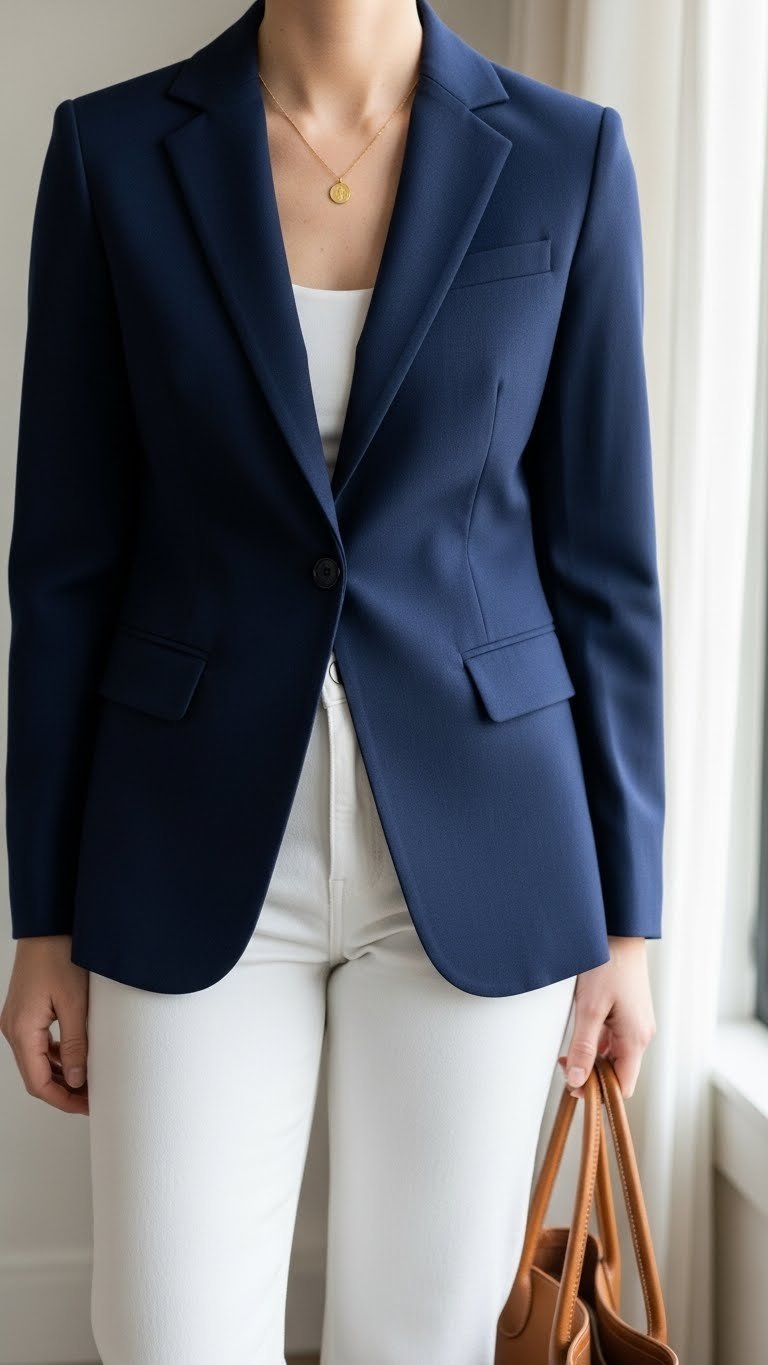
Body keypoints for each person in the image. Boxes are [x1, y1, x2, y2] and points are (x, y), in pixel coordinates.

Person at [0, 0, 663, 1361]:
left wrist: (634, 920)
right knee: (165, 1335)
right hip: (186, 833)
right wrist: (43, 916)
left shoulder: (566, 157)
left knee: (420, 1341)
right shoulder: (112, 155)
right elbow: (63, 567)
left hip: (484, 843)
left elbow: (605, 568)